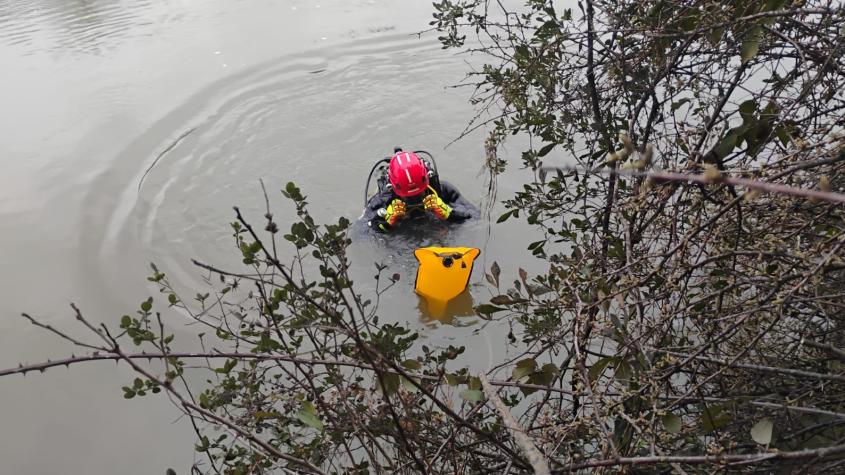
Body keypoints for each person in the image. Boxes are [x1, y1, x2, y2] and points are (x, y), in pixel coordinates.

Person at [363, 149, 476, 233]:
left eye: (419, 194)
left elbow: (475, 216)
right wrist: (385, 222)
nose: (414, 200)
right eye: (407, 197)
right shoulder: (383, 199)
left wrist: (449, 213)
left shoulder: (442, 190)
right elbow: (360, 232)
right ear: (393, 189)